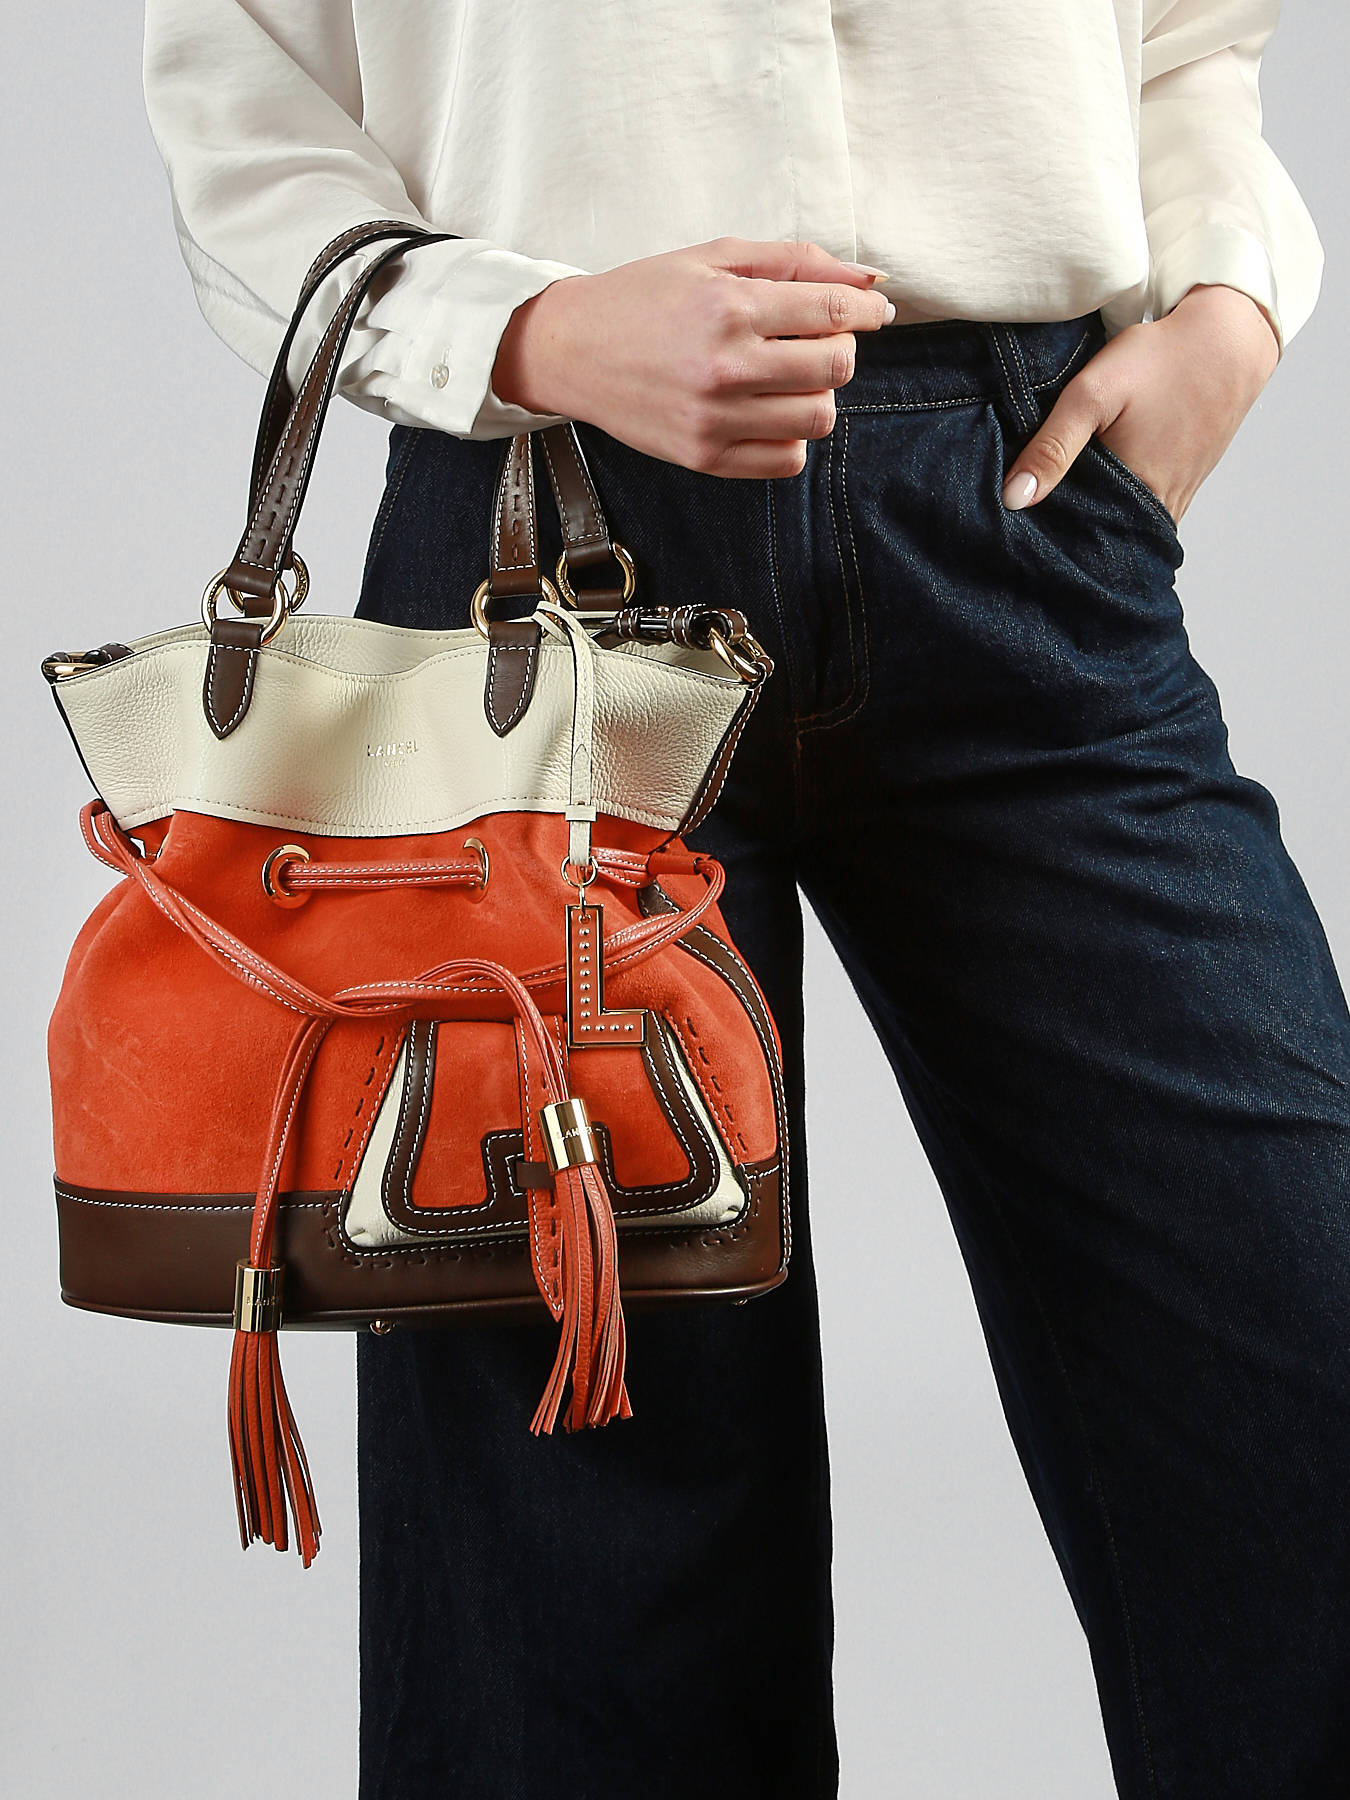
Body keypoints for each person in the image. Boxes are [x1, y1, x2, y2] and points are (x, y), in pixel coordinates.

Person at [141, 5, 1346, 1797]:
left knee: (1291, 1346)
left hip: (1024, 518)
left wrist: (1227, 297)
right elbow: (245, 98)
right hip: (536, 544)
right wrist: (529, 330)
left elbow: (1183, 41)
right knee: (587, 1496)